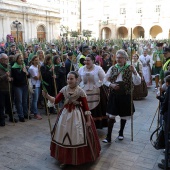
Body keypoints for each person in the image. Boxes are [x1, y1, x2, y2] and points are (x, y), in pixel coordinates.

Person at [42, 71, 100, 167]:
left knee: (76, 135)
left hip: (77, 116)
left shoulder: (80, 91)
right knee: (63, 135)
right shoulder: (64, 89)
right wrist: (47, 95)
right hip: (65, 115)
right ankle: (65, 158)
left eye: (72, 78)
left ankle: (78, 158)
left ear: (77, 79)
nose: (69, 80)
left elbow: (86, 107)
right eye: (68, 78)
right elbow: (56, 101)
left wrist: (88, 120)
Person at [103, 49, 141, 143]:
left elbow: (137, 82)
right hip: (114, 95)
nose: (118, 59)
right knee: (111, 116)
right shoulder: (112, 68)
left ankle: (121, 133)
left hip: (125, 95)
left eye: (121, 58)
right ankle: (108, 136)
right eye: (117, 57)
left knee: (124, 115)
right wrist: (111, 85)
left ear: (125, 59)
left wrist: (135, 73)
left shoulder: (130, 67)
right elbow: (104, 80)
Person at [78, 54, 108, 129]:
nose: (86, 62)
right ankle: (84, 124)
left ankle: (95, 125)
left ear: (93, 61)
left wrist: (98, 84)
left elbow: (104, 79)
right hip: (83, 92)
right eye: (85, 60)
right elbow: (78, 80)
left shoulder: (98, 68)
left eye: (88, 60)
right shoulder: (81, 69)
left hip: (96, 92)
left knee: (96, 110)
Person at [0, 53, 18, 126]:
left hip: (9, 88)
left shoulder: (9, 67)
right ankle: (1, 120)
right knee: (1, 106)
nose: (6, 60)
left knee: (10, 104)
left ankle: (11, 117)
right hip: (1, 89)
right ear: (0, 59)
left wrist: (11, 79)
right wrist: (5, 76)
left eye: (7, 59)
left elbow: (12, 77)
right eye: (5, 59)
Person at [11, 53, 30, 122]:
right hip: (18, 86)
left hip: (24, 85)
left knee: (25, 101)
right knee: (19, 101)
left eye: (22, 58)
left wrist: (27, 73)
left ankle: (25, 114)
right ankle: (21, 115)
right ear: (16, 59)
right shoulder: (14, 68)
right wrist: (23, 72)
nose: (21, 59)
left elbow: (28, 76)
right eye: (20, 58)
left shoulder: (23, 66)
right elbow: (17, 78)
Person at [157, 75, 170, 169]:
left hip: (168, 117)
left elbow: (166, 103)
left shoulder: (169, 89)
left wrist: (161, 111)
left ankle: (167, 164)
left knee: (168, 138)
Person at [28, 56, 42, 120]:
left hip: (38, 85)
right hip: (34, 85)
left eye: (38, 60)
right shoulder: (32, 68)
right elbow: (36, 77)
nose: (37, 61)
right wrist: (39, 70)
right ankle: (35, 113)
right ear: (33, 61)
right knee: (35, 99)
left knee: (36, 99)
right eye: (36, 60)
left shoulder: (37, 67)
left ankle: (33, 110)